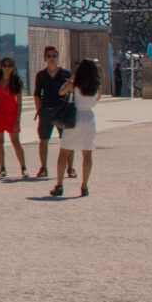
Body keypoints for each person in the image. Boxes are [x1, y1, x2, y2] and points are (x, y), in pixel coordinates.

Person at [51, 58, 101, 198]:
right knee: (87, 154)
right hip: (89, 118)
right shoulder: (97, 86)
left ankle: (59, 184)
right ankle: (84, 185)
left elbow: (61, 92)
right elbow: (96, 99)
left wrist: (72, 79)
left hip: (75, 116)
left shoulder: (74, 84)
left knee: (64, 151)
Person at [32, 45, 71, 181]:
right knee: (43, 140)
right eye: (49, 56)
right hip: (46, 111)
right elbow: (37, 94)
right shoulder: (41, 75)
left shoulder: (65, 73)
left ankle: (70, 167)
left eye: (54, 55)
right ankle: (43, 167)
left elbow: (72, 91)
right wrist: (39, 110)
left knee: (67, 140)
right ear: (45, 58)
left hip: (62, 110)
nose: (52, 58)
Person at [0, 59, 28, 178]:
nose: (7, 67)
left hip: (11, 114)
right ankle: (2, 168)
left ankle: (23, 168)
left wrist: (18, 119)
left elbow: (19, 102)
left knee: (16, 142)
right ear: (0, 67)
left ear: (13, 67)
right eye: (4, 65)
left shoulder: (16, 82)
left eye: (10, 65)